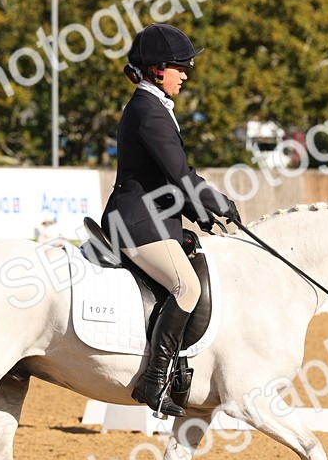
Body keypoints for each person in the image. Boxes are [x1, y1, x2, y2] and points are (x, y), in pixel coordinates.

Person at [101, 23, 240, 416]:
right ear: (158, 69)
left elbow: (165, 177)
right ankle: (153, 381)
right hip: (137, 223)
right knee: (187, 288)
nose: (186, 74)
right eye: (180, 67)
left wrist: (199, 213)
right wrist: (219, 202)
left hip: (154, 217)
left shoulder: (154, 107)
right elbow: (181, 173)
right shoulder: (149, 112)